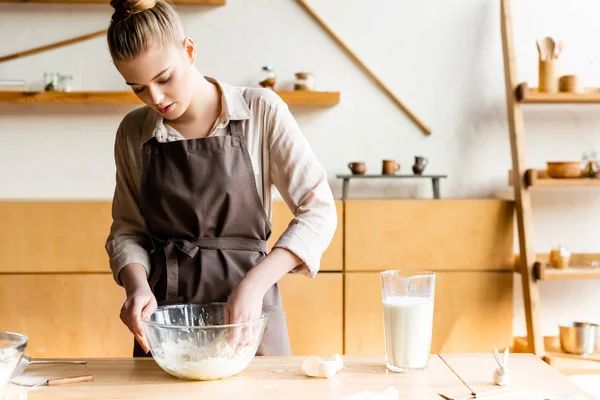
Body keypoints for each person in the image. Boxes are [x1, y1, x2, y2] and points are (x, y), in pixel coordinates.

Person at [104, 0, 337, 357]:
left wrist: (254, 285)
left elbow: (318, 210)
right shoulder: (133, 132)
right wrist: (136, 288)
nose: (156, 98)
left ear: (190, 50)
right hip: (165, 325)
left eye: (164, 78)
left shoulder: (260, 110)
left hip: (249, 316)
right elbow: (128, 230)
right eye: (138, 88)